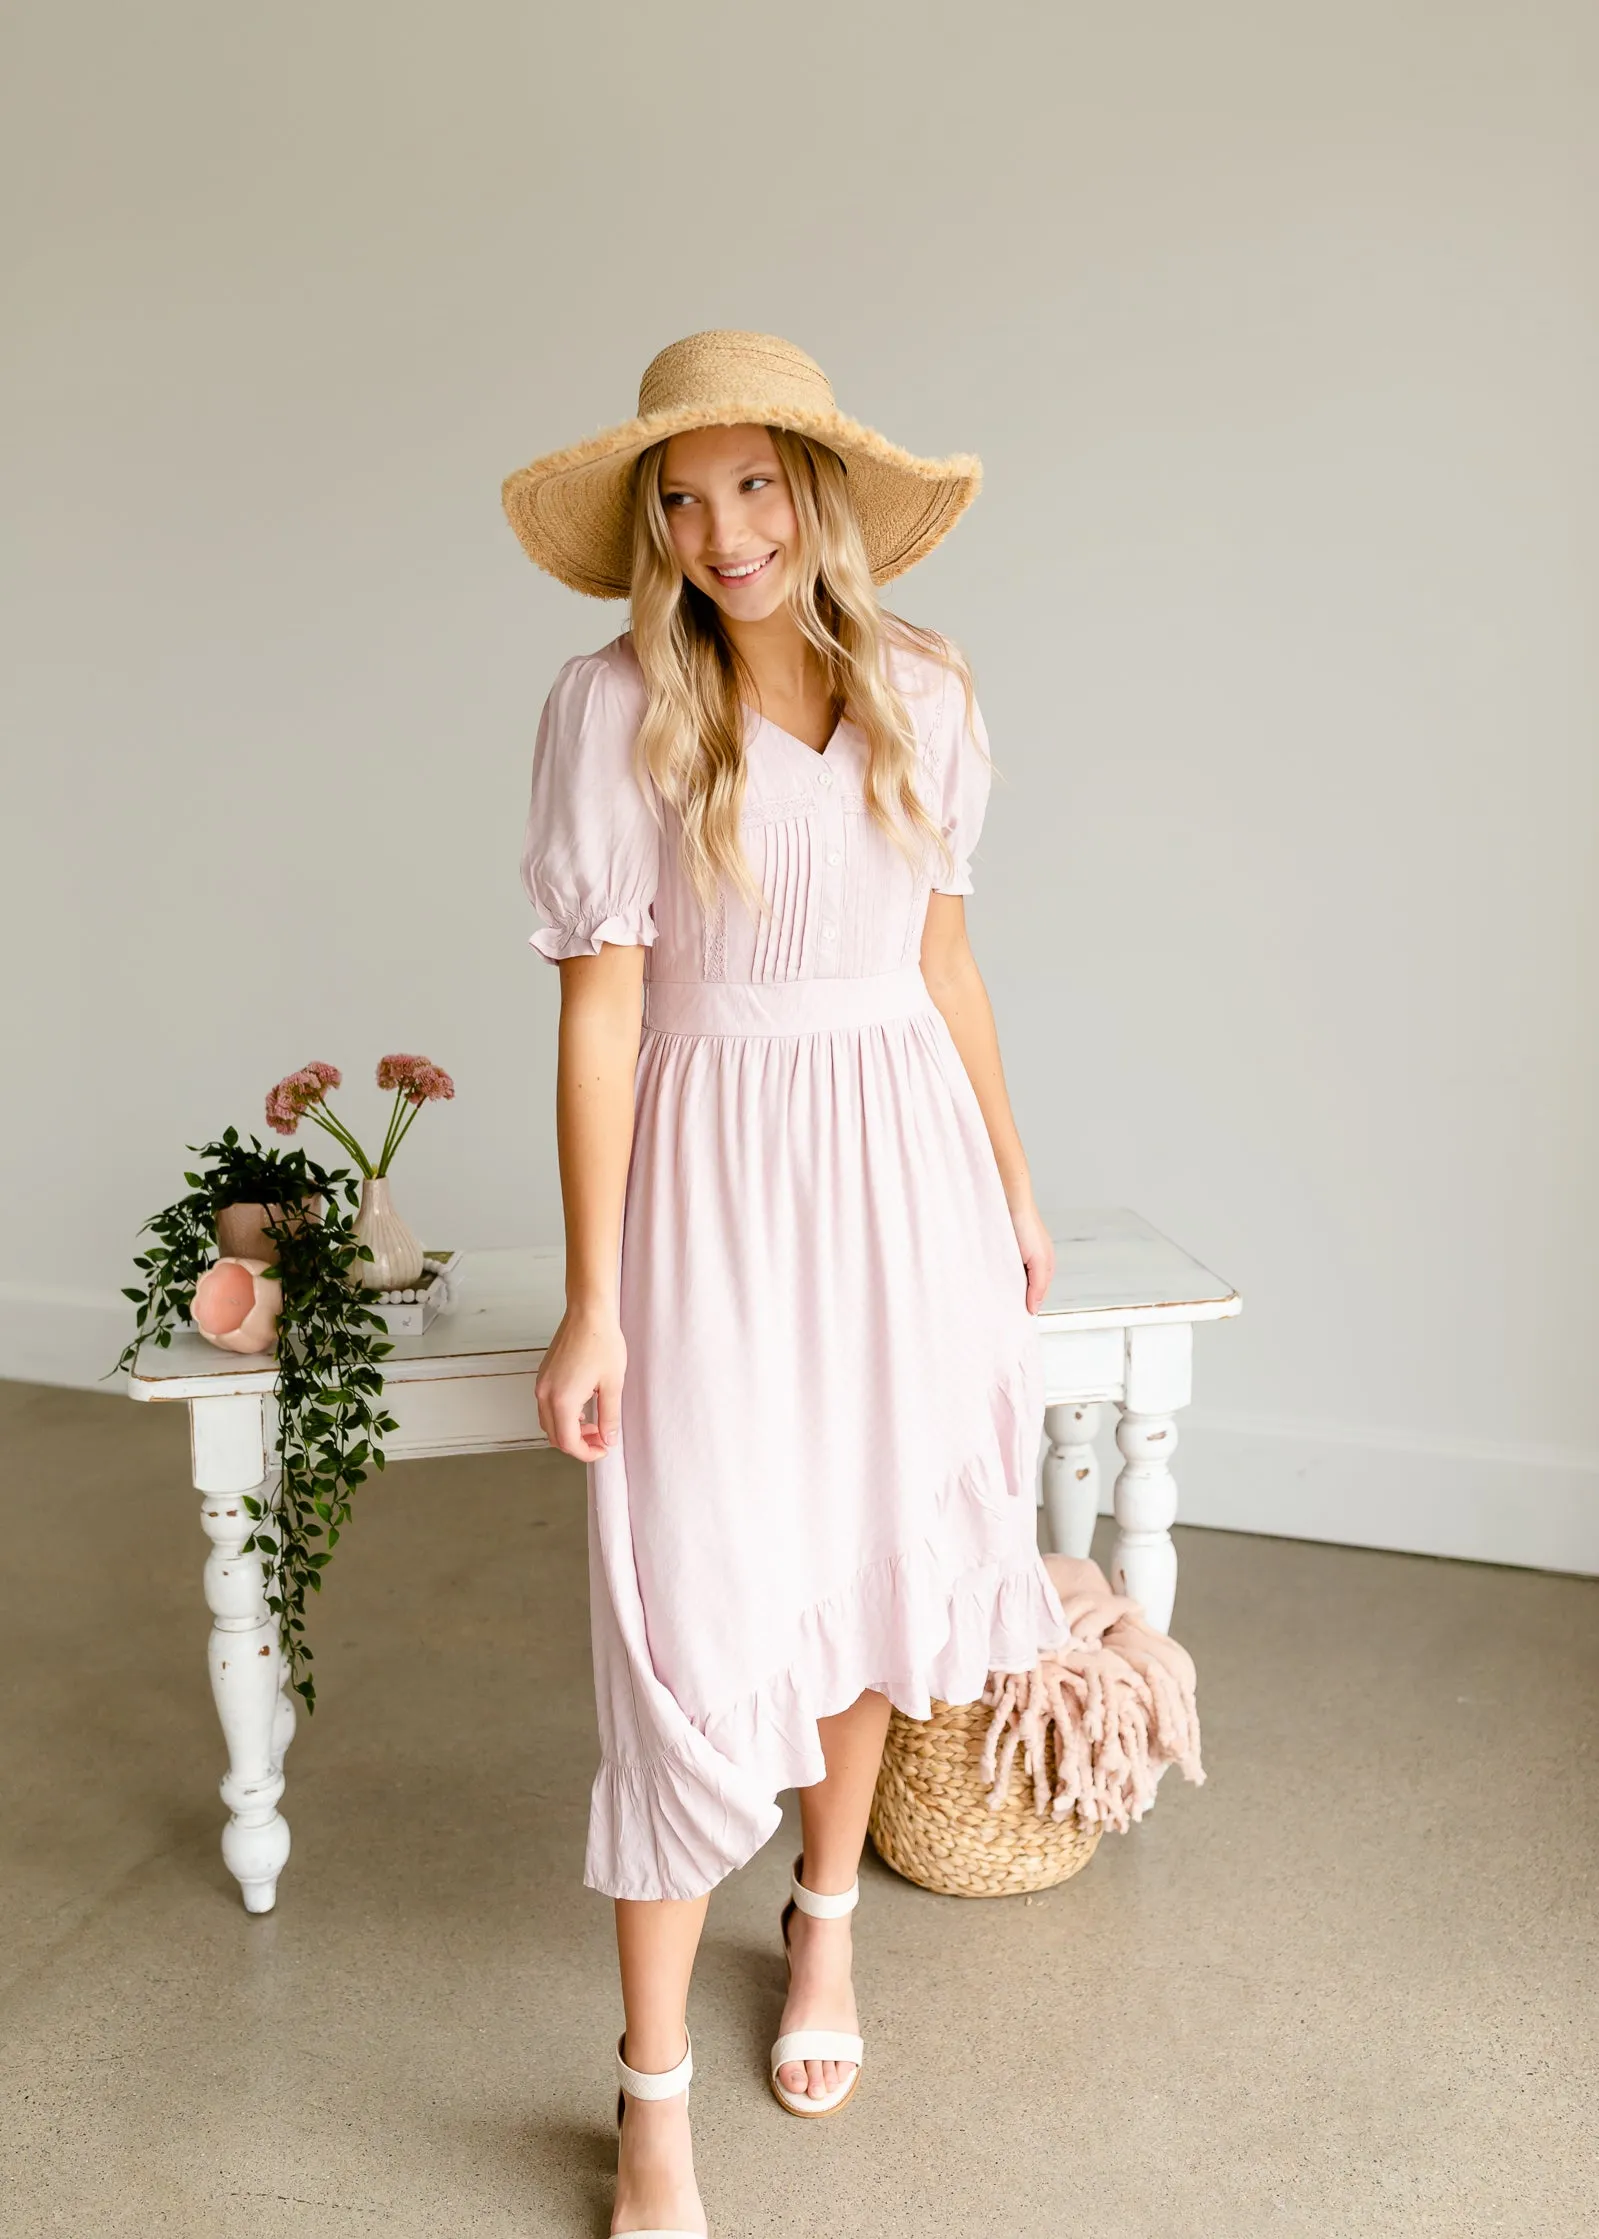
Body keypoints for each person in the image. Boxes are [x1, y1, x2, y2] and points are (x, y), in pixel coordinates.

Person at [502, 330, 1071, 2239]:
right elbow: (597, 1025)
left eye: (751, 484)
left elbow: (951, 966)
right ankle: (648, 2093)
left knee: (867, 1564)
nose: (718, 528)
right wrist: (594, 1295)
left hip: (902, 1170)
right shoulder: (612, 704)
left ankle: (822, 1930)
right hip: (714, 1186)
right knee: (692, 1606)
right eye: (680, 494)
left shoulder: (926, 688)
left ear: (817, 496)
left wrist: (1010, 1186)